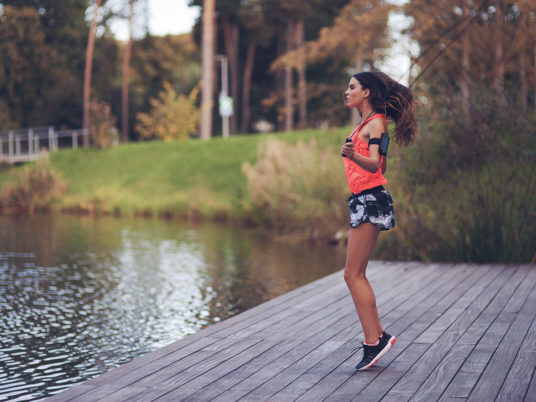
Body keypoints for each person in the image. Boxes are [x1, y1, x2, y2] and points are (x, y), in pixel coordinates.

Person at [340, 71, 417, 370]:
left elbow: (375, 165)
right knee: (356, 274)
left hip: (370, 199)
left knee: (353, 275)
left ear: (367, 92)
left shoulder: (375, 124)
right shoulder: (370, 122)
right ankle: (377, 337)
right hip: (365, 199)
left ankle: (374, 341)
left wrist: (352, 155)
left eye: (352, 87)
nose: (346, 91)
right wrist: (354, 152)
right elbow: (380, 164)